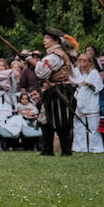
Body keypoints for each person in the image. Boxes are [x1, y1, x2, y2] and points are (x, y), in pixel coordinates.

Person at [35, 28, 78, 156]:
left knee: (61, 122)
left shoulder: (56, 55)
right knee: (45, 120)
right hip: (52, 90)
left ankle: (66, 151)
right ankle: (47, 150)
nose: (44, 40)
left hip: (60, 91)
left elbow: (41, 73)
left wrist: (34, 63)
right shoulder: (55, 54)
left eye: (47, 38)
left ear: (55, 40)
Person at [71, 51, 103, 153]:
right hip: (78, 102)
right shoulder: (75, 72)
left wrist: (89, 84)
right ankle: (80, 148)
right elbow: (72, 83)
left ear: (89, 62)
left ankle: (95, 148)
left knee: (93, 128)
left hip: (91, 102)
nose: (82, 62)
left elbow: (98, 87)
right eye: (80, 60)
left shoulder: (94, 73)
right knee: (78, 127)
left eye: (84, 60)